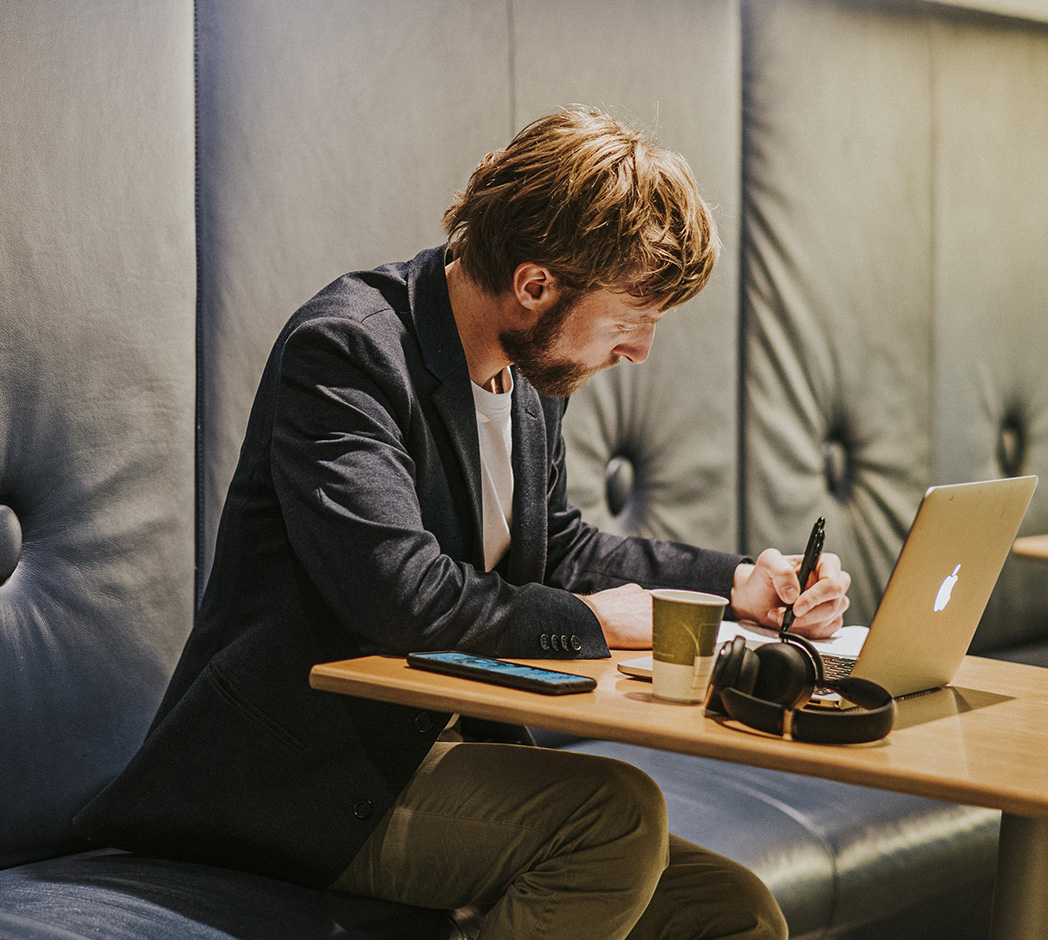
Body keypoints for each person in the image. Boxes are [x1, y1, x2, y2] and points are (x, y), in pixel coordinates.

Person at [75, 108, 850, 940]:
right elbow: (398, 596)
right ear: (534, 284)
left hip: (439, 755)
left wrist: (737, 590)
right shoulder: (348, 352)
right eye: (631, 320)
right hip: (299, 778)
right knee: (614, 818)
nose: (640, 353)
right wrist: (591, 623)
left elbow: (561, 551)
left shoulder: (530, 380)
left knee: (733, 914)